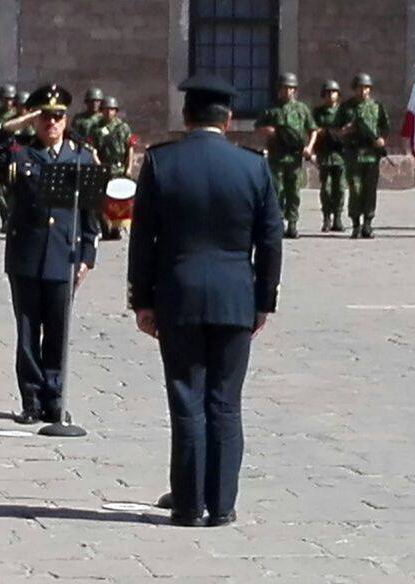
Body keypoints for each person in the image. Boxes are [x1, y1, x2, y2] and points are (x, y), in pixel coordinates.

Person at [127, 74, 283, 527]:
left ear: (185, 116)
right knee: (226, 403)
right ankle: (222, 504)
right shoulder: (253, 167)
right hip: (236, 298)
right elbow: (270, 240)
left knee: (187, 400)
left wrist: (142, 297)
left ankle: (189, 504)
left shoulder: (161, 163)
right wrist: (263, 301)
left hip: (178, 297)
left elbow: (143, 239)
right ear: (229, 119)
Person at [0, 83, 100, 426]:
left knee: (58, 330)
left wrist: (87, 256)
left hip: (64, 256)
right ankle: (31, 399)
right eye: (43, 118)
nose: (50, 124)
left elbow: (90, 216)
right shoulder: (19, 153)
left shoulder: (82, 156)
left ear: (65, 119)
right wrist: (11, 126)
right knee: (28, 332)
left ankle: (55, 398)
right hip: (26, 256)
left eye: (56, 117)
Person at [255, 72, 317, 239]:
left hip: (295, 157)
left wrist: (309, 148)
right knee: (276, 191)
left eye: (291, 88)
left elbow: (313, 130)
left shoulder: (301, 109)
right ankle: (277, 222)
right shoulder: (271, 109)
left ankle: (293, 223)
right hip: (276, 156)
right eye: (285, 88)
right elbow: (259, 126)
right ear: (279, 89)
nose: (288, 91)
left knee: (293, 191)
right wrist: (269, 131)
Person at [338, 73, 390, 239]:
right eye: (360, 87)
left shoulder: (377, 106)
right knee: (355, 189)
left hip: (371, 156)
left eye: (366, 88)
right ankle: (355, 223)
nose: (363, 91)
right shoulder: (346, 108)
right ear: (355, 89)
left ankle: (368, 223)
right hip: (353, 155)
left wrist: (381, 140)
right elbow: (335, 129)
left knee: (369, 190)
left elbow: (385, 127)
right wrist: (346, 131)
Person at [87, 95, 136, 240]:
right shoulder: (96, 129)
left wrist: (129, 167)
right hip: (104, 167)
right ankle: (105, 227)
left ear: (116, 111)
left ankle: (117, 228)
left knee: (120, 201)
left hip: (119, 168)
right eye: (106, 109)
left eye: (112, 109)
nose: (108, 112)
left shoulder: (123, 127)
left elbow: (130, 148)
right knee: (103, 201)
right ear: (101, 111)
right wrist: (98, 165)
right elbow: (92, 149)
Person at [312, 79, 347, 232]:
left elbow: (347, 131)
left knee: (339, 188)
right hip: (325, 154)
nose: (330, 95)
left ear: (338, 95)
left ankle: (338, 217)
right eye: (327, 93)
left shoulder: (343, 112)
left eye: (333, 92)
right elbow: (313, 130)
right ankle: (327, 217)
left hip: (340, 155)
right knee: (326, 188)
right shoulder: (318, 113)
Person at [0, 84, 18, 231]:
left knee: (13, 191)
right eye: (5, 99)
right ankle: (5, 219)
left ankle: (12, 219)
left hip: (13, 156)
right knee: (0, 192)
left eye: (11, 99)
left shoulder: (18, 115)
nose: (8, 102)